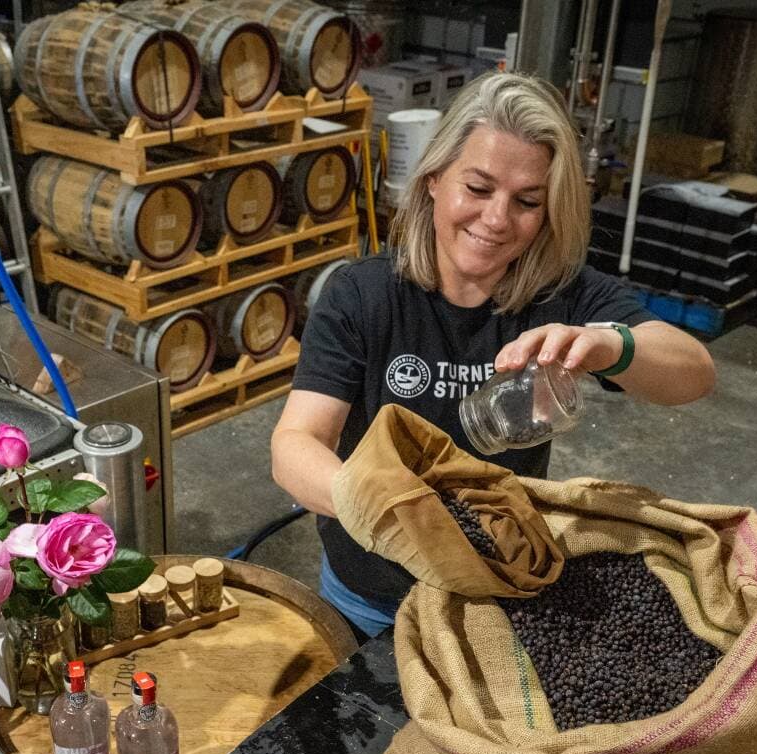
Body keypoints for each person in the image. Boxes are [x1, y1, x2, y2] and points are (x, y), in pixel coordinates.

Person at [271, 72, 717, 640]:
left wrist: (611, 344)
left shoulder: (566, 295)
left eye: (527, 201)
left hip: (494, 600)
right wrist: (393, 514)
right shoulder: (363, 295)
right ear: (433, 179)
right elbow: (294, 447)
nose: (497, 219)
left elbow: (694, 374)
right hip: (369, 597)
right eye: (477, 189)